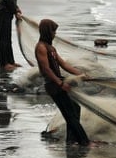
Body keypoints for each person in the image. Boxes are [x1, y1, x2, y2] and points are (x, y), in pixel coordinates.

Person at [35, 19, 90, 147]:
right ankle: (84, 142)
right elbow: (46, 69)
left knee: (75, 108)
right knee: (70, 113)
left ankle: (71, 140)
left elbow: (64, 64)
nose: (55, 34)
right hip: (53, 85)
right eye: (53, 31)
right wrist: (60, 84)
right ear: (47, 32)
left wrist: (80, 75)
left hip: (58, 83)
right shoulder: (41, 47)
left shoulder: (51, 48)